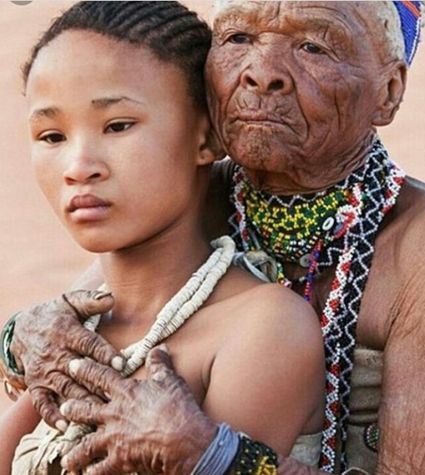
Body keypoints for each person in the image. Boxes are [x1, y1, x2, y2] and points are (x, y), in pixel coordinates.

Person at [1, 0, 425, 474]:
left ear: (388, 91)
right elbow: (90, 315)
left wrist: (216, 455)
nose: (262, 72)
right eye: (238, 39)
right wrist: (21, 337)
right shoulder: (192, 192)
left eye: (313, 46)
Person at [0, 1, 326, 473]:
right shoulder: (64, 331)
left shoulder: (263, 329)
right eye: (51, 136)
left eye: (117, 126)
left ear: (207, 138)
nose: (78, 167)